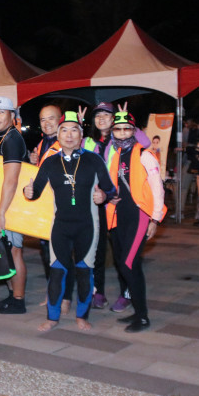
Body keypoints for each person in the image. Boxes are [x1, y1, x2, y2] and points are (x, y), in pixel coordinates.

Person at [24, 111, 116, 332]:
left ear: (81, 135)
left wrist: (103, 196)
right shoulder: (50, 162)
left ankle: (82, 316)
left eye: (74, 130)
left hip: (88, 226)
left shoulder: (94, 160)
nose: (69, 135)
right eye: (64, 130)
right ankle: (52, 318)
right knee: (57, 271)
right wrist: (27, 191)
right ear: (58, 135)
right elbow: (35, 191)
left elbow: (111, 189)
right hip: (61, 227)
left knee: (84, 271)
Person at [81, 102, 149, 312]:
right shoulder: (88, 141)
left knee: (123, 253)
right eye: (97, 115)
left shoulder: (121, 139)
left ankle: (126, 293)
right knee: (97, 250)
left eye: (107, 115)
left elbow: (145, 142)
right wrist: (79, 124)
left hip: (118, 204)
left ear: (113, 119)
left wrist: (125, 119)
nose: (101, 118)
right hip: (94, 202)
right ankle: (98, 292)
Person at [105, 111, 166, 332]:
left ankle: (143, 317)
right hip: (120, 215)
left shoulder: (144, 155)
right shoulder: (116, 154)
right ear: (113, 132)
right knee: (129, 264)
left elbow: (158, 188)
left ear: (134, 130)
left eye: (126, 129)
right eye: (118, 129)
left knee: (128, 264)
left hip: (139, 215)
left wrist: (155, 219)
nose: (122, 133)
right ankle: (138, 312)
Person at [0, 97, 28, 314]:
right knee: (6, 250)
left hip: (12, 207)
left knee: (14, 251)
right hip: (4, 205)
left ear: (12, 115)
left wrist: (1, 212)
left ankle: (19, 301)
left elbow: (11, 180)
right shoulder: (1, 137)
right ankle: (12, 296)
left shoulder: (12, 139)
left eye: (1, 112)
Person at [29, 104, 69, 309]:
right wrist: (33, 162)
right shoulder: (41, 144)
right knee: (46, 252)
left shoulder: (66, 143)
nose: (46, 123)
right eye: (43, 120)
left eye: (51, 118)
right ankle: (53, 293)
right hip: (44, 208)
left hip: (63, 208)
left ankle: (65, 297)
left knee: (62, 252)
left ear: (60, 119)